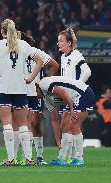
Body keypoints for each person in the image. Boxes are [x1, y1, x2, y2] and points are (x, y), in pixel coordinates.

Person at [0, 19, 43, 165]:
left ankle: (11, 158)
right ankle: (28, 158)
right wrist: (31, 78)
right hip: (20, 88)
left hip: (3, 88)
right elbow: (39, 60)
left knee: (7, 124)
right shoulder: (23, 44)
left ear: (2, 31)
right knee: (23, 125)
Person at [19, 32, 60, 165]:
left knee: (35, 123)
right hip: (19, 92)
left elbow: (55, 65)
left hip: (35, 93)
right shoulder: (14, 54)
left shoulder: (36, 52)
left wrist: (44, 84)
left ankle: (40, 157)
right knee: (22, 125)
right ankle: (26, 156)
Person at [36, 76, 95, 166]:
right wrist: (58, 141)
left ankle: (79, 159)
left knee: (73, 126)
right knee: (64, 127)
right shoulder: (46, 98)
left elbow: (62, 92)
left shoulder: (43, 83)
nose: (34, 96)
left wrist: (71, 109)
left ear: (35, 86)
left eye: (33, 92)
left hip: (83, 93)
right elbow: (55, 120)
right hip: (73, 98)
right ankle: (62, 158)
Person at [58, 27, 91, 163]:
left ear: (69, 43)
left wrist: (77, 85)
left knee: (74, 125)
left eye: (61, 41)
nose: (58, 43)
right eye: (58, 41)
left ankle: (79, 157)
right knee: (64, 126)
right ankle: (65, 157)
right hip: (69, 97)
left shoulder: (76, 55)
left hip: (80, 95)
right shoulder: (62, 57)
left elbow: (87, 71)